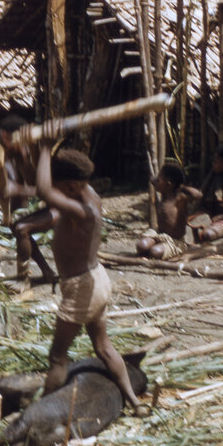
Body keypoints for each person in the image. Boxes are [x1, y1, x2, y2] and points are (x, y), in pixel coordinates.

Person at [32, 121, 147, 417]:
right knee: (104, 347)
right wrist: (51, 146)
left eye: (62, 187)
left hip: (82, 287)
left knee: (57, 356)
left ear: (69, 186)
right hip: (98, 280)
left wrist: (45, 147)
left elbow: (43, 188)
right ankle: (134, 401)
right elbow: (57, 178)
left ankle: (43, 411)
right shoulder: (89, 193)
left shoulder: (80, 210)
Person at [0, 113, 57, 289]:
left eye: (7, 140)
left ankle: (23, 279)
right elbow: (22, 190)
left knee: (21, 228)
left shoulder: (32, 149)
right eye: (2, 140)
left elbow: (43, 190)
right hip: (51, 204)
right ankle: (47, 271)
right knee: (18, 227)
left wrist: (18, 189)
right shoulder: (10, 154)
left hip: (65, 205)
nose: (4, 145)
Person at [136, 162, 203, 260]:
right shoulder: (164, 194)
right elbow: (152, 180)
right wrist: (160, 178)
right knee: (141, 246)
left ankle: (168, 248)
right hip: (159, 233)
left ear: (169, 184)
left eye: (159, 180)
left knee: (155, 252)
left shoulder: (179, 198)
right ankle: (156, 244)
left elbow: (198, 195)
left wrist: (181, 187)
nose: (156, 182)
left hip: (174, 240)